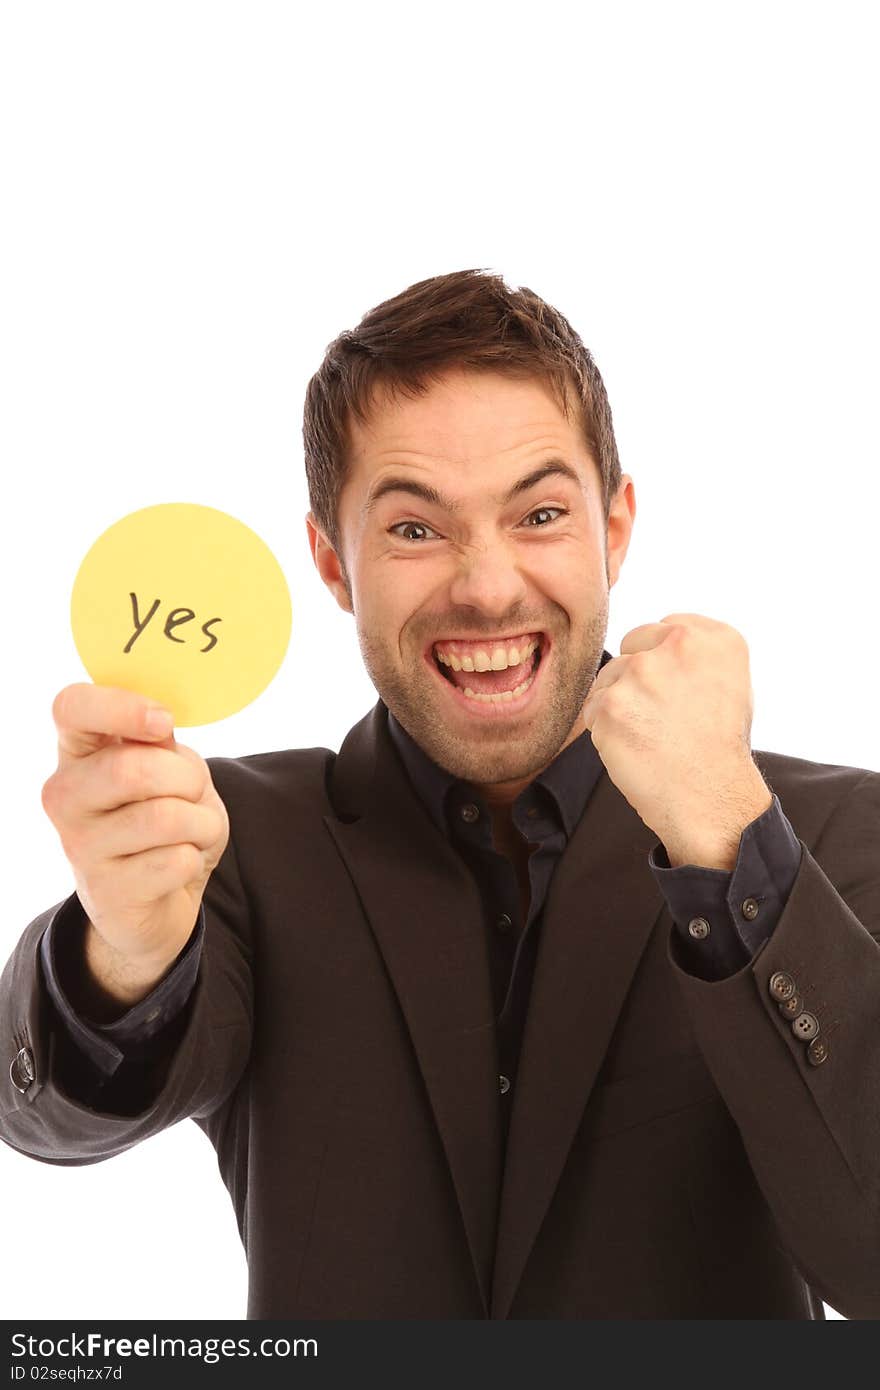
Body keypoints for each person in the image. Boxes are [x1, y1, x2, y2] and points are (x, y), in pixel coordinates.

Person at [2, 268, 879, 1320]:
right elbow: (55, 1121)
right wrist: (124, 953)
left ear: (615, 527)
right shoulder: (229, 845)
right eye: (416, 529)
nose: (488, 584)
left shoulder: (826, 837)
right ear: (334, 560)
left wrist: (734, 851)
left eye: (541, 513)